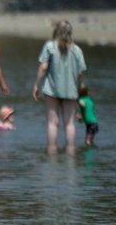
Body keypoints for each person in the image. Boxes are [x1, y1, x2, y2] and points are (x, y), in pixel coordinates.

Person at [32, 20, 86, 154]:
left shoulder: (50, 46)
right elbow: (81, 74)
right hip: (71, 91)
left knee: (52, 123)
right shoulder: (77, 50)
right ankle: (70, 153)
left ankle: (52, 153)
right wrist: (79, 92)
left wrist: (37, 85)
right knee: (70, 124)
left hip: (52, 90)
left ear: (56, 31)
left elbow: (43, 67)